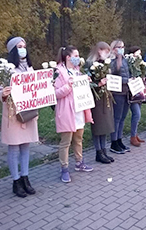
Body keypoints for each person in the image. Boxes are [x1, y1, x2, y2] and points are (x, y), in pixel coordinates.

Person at [0, 36, 38, 197]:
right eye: (19, 46)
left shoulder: (30, 68)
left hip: (28, 112)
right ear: (13, 50)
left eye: (24, 45)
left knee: (26, 146)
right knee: (14, 148)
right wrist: (4, 94)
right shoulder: (7, 70)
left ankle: (25, 177)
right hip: (13, 114)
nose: (23, 49)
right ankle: (16, 181)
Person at [54, 45, 94, 183]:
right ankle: (64, 168)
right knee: (66, 142)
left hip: (79, 110)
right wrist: (68, 86)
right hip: (66, 111)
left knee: (78, 139)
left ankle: (79, 162)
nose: (78, 58)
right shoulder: (59, 72)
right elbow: (55, 94)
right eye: (76, 56)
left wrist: (86, 81)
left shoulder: (77, 71)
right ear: (68, 57)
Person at [86, 41, 115, 164]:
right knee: (98, 126)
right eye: (106, 51)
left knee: (105, 125)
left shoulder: (105, 64)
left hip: (105, 97)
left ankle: (104, 150)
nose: (107, 54)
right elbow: (88, 83)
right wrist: (98, 84)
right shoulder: (90, 64)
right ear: (99, 50)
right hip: (96, 98)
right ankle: (98, 151)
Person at [109, 40, 131, 153]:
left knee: (122, 118)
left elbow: (129, 73)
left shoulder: (126, 60)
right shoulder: (111, 61)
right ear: (114, 49)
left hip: (126, 90)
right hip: (117, 92)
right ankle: (113, 142)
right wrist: (118, 58)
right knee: (116, 118)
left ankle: (119, 139)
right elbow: (115, 71)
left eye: (123, 46)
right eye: (119, 47)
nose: (121, 49)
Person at [127, 46, 145, 147]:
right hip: (132, 92)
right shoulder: (129, 64)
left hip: (139, 90)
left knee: (138, 114)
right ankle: (132, 136)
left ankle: (135, 133)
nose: (139, 55)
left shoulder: (138, 65)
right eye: (138, 53)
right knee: (136, 114)